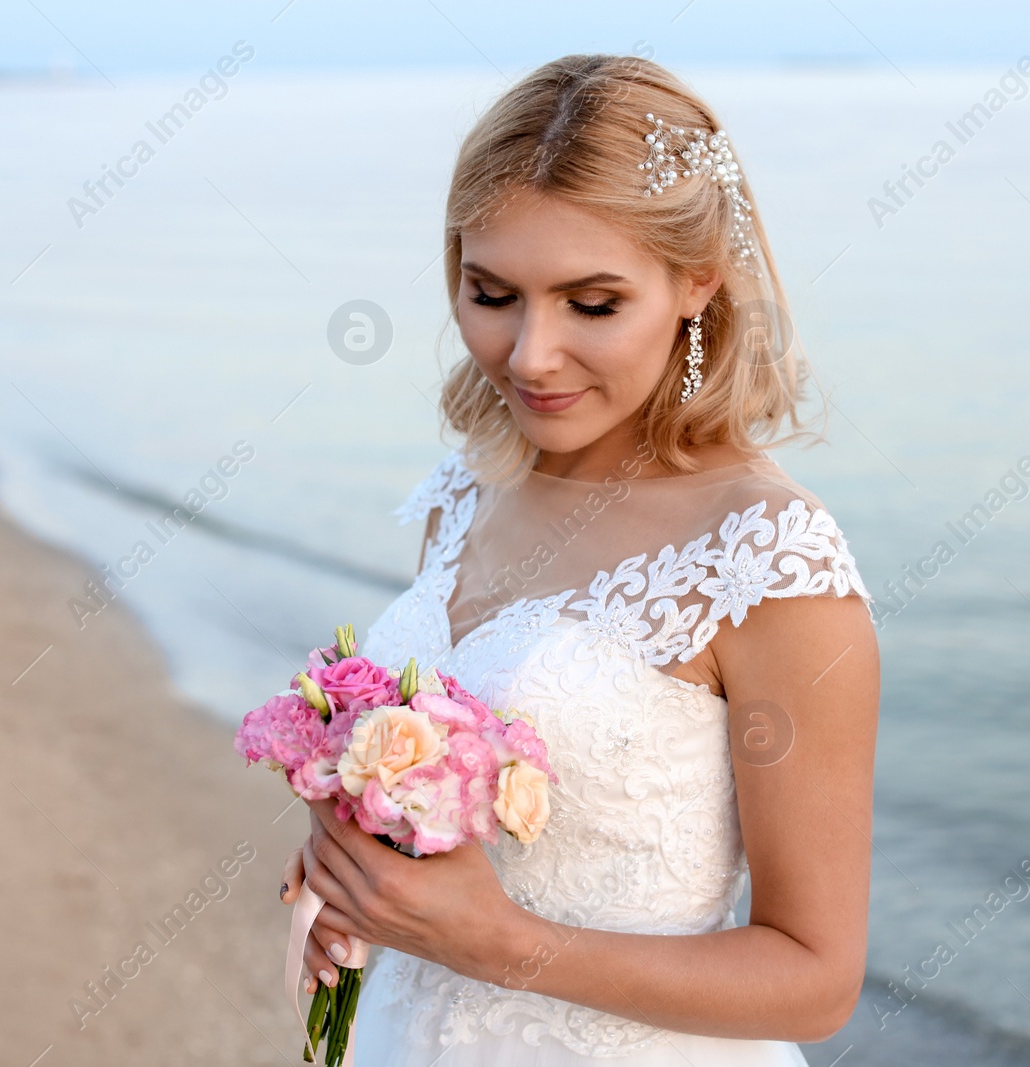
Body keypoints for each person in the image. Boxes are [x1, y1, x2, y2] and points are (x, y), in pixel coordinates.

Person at [279, 52, 880, 1065]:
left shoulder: (767, 561)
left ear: (697, 282)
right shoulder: (467, 492)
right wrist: (359, 872)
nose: (528, 355)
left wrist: (501, 942)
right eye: (491, 292)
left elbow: (816, 977)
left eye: (591, 303)